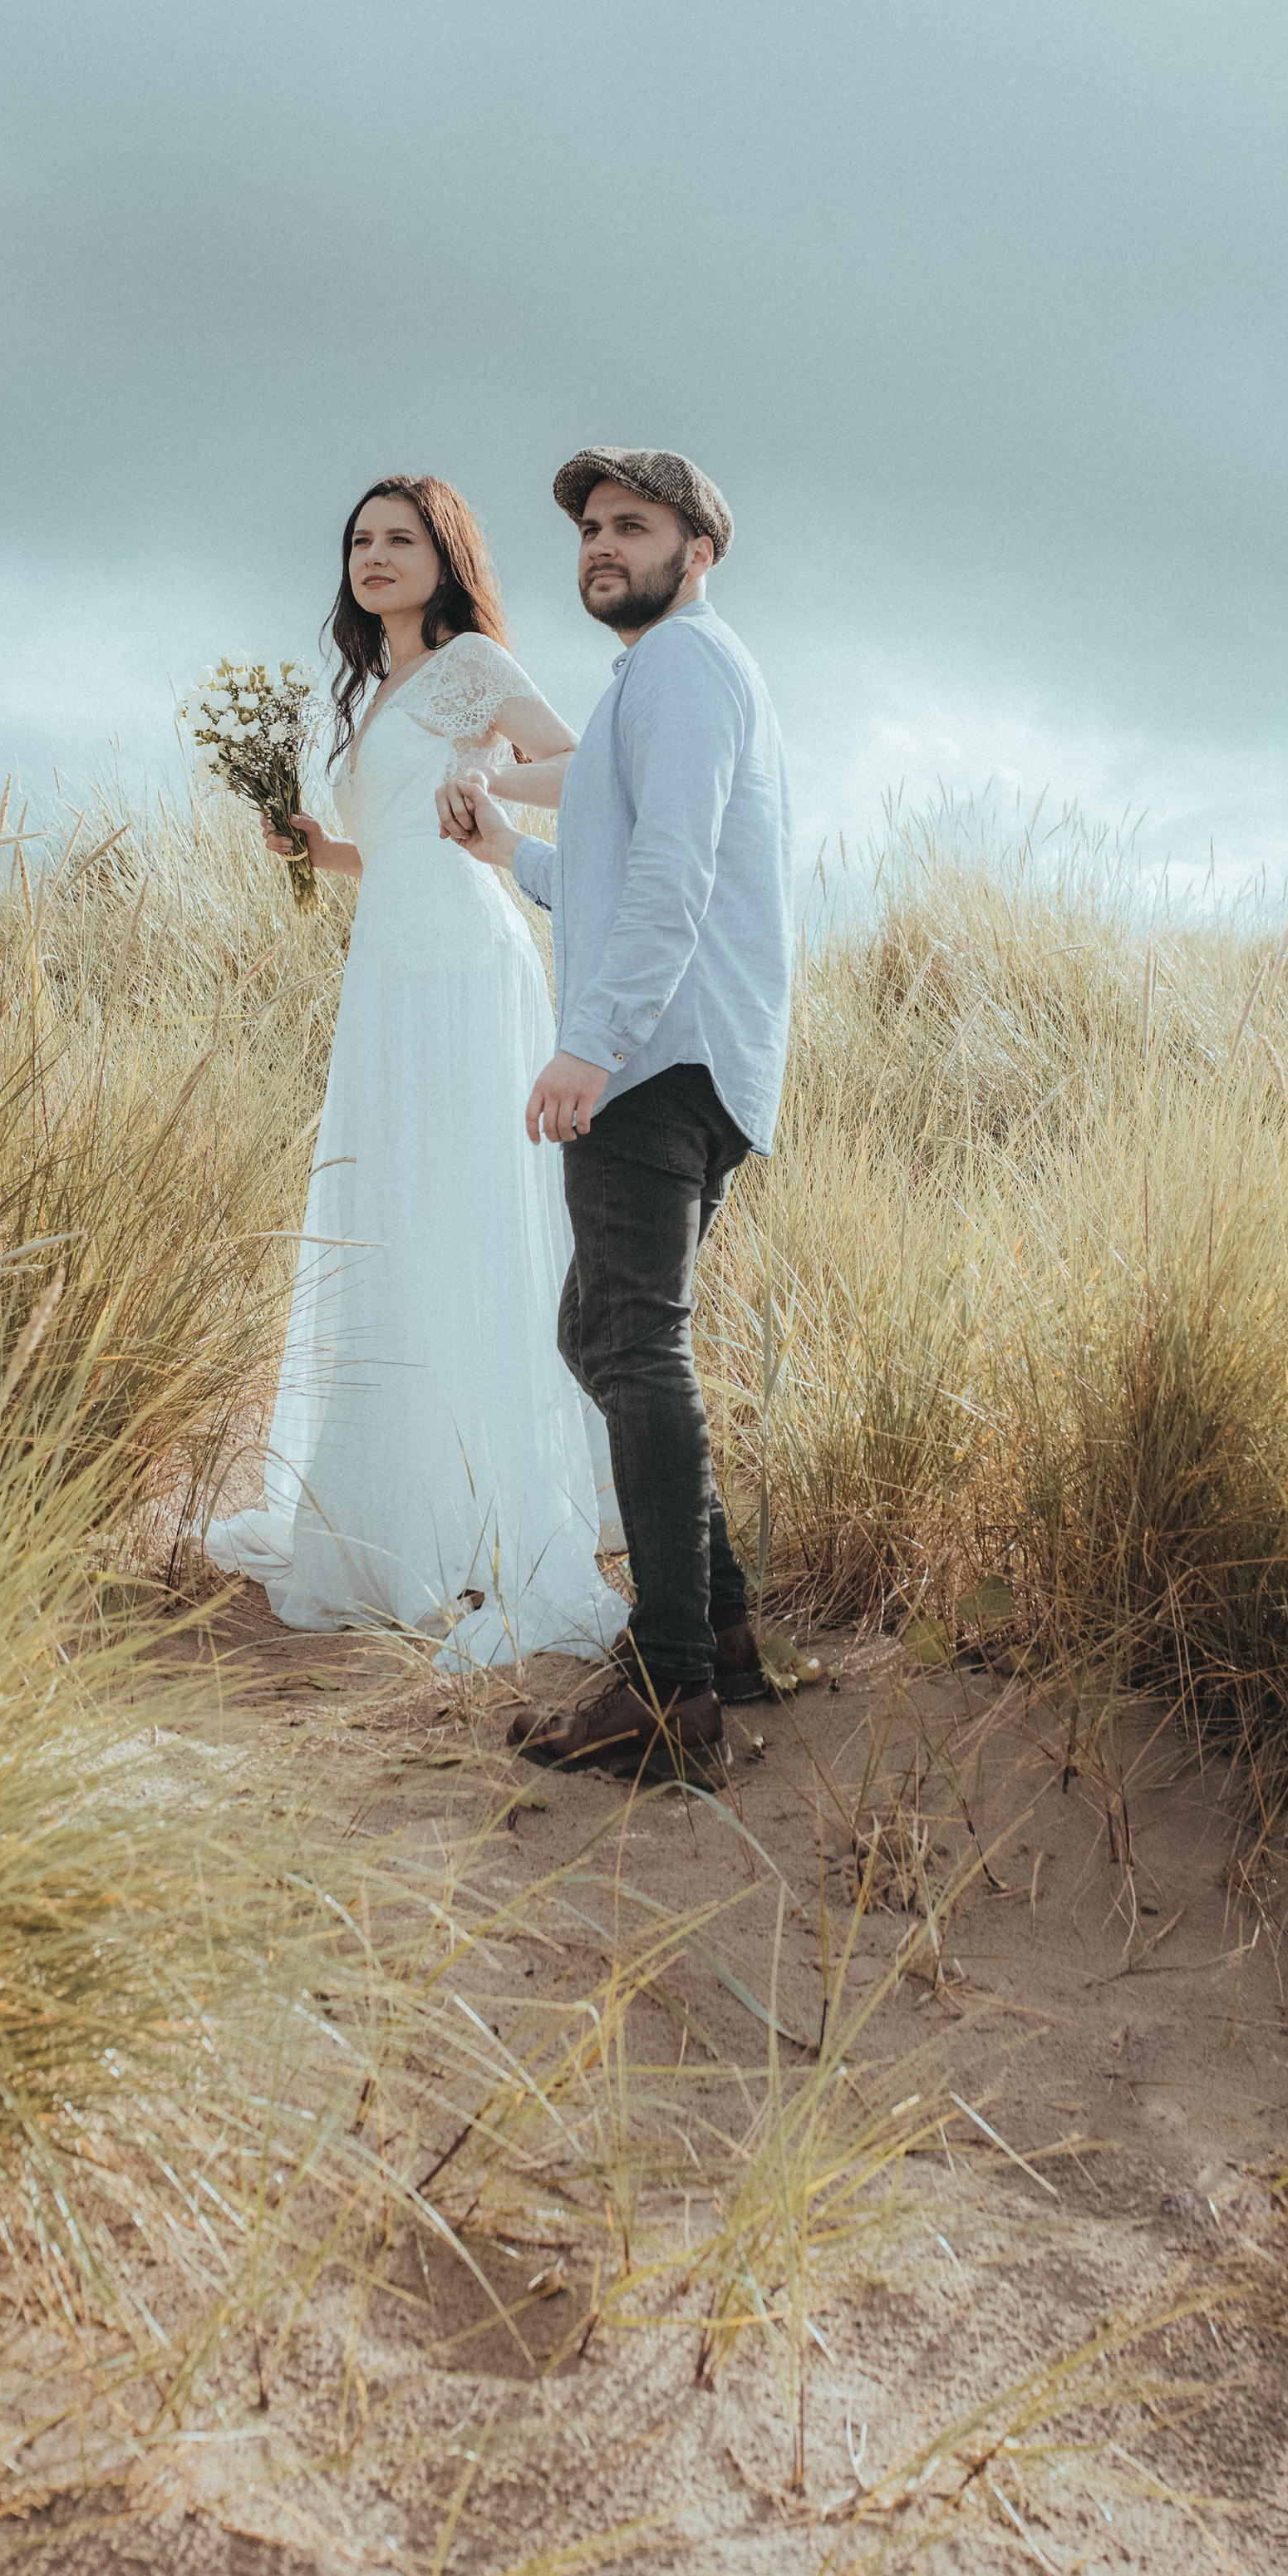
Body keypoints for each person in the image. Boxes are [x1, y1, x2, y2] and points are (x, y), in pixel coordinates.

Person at [204, 475, 622, 1672]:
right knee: (389, 1218)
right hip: (386, 967)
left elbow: (581, 765)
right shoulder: (367, 691)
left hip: (464, 963)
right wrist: (312, 846)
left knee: (469, 1212)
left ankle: (499, 1514)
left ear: (445, 556)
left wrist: (492, 790)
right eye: (359, 541)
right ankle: (399, 1520)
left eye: (399, 539)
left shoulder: (473, 664)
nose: (375, 556)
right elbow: (387, 846)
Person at [440, 447, 800, 1779]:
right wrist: (506, 856)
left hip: (663, 1061)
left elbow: (674, 871)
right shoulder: (647, 682)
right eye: (590, 527)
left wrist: (589, 1043)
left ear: (694, 550)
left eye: (630, 524)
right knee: (601, 1329)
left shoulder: (693, 667)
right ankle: (719, 1625)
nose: (600, 543)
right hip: (681, 1055)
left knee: (630, 1340)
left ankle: (672, 1684)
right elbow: (602, 879)